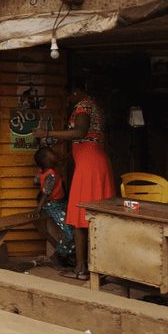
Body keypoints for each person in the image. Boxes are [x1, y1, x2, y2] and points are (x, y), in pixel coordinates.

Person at [31, 77, 116, 279]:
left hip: (88, 167)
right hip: (96, 163)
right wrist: (69, 157)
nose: (68, 99)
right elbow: (89, 139)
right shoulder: (96, 106)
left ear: (75, 91)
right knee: (98, 216)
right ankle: (101, 266)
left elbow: (80, 132)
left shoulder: (83, 106)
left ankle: (80, 269)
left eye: (69, 95)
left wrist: (47, 132)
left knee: (79, 217)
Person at [30, 146, 74, 263]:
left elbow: (36, 181)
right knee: (69, 231)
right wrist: (38, 210)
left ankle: (65, 256)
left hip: (55, 204)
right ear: (46, 160)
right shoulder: (51, 175)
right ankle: (56, 257)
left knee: (69, 229)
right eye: (53, 153)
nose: (56, 154)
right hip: (55, 206)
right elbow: (45, 193)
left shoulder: (42, 172)